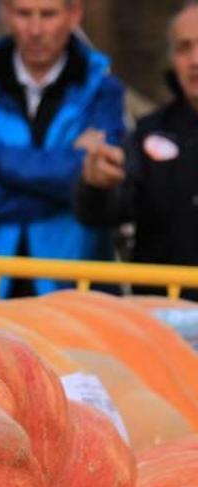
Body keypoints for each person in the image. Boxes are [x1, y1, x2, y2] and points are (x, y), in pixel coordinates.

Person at [0, 0, 126, 307]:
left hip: (75, 296)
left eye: (48, 14)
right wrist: (64, 184)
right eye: (24, 13)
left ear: (74, 14)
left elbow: (102, 181)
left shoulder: (104, 89)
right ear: (5, 13)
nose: (36, 29)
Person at [77, 1, 198, 301]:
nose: (195, 59)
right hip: (165, 319)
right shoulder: (149, 132)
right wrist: (96, 185)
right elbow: (109, 212)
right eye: (184, 48)